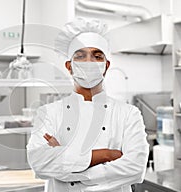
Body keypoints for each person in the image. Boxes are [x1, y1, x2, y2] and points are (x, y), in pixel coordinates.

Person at [26, 17, 149, 192]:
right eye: (81, 56)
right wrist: (105, 155)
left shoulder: (129, 113)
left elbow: (135, 168)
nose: (89, 62)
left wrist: (67, 162)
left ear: (106, 66)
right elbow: (38, 162)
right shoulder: (48, 112)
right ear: (69, 66)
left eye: (97, 56)